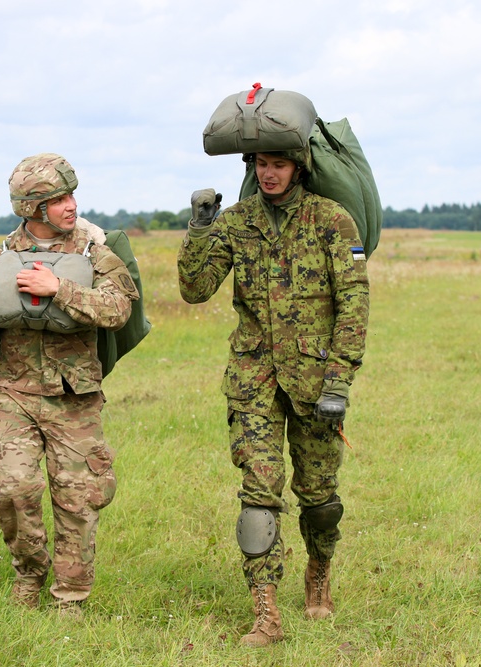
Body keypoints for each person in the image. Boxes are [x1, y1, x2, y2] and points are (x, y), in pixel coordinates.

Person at [177, 148, 369, 647]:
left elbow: (354, 302)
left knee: (319, 497)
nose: (268, 173)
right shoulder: (237, 222)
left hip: (315, 380)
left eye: (278, 164)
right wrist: (200, 227)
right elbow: (195, 289)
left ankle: (319, 572)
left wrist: (339, 382)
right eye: (260, 164)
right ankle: (265, 613)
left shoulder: (332, 221)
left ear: (298, 168)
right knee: (259, 494)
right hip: (253, 375)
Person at [0, 153, 138, 617]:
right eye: (57, 200)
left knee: (78, 498)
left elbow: (119, 311)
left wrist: (61, 288)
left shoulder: (95, 254)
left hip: (76, 399)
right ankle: (30, 573)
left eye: (71, 195)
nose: (70, 206)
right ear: (32, 209)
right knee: (13, 489)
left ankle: (70, 596)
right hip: (16, 396)